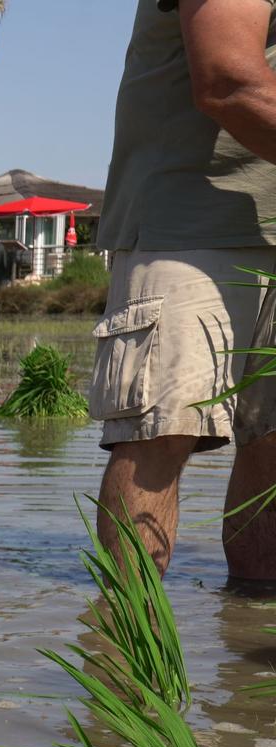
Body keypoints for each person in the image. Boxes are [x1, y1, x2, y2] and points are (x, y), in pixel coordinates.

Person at [91, 0, 276, 577]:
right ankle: (128, 648)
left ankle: (247, 643)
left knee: (272, 443)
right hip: (189, 223)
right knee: (160, 435)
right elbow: (226, 79)